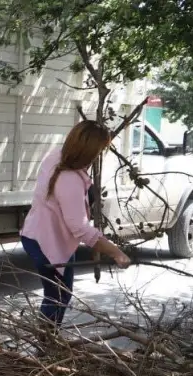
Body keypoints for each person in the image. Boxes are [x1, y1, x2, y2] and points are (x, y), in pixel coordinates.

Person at [20, 120, 131, 327]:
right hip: (46, 243)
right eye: (98, 151)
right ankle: (45, 347)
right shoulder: (69, 178)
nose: (99, 155)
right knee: (58, 297)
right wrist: (116, 252)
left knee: (60, 294)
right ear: (88, 152)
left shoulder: (57, 155)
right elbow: (80, 228)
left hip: (42, 235)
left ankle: (47, 343)